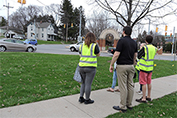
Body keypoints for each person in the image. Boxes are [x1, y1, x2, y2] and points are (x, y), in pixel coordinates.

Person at [109, 26, 137, 112]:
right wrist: (134, 64)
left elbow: (116, 54)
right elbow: (135, 55)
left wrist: (111, 64)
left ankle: (122, 106)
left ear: (123, 32)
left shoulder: (121, 41)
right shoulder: (134, 42)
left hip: (122, 66)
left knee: (123, 86)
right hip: (131, 66)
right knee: (130, 85)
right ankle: (129, 104)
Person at [78, 32, 100, 104]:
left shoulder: (81, 46)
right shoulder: (94, 46)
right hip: (91, 67)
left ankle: (81, 97)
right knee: (88, 84)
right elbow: (98, 54)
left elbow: (80, 54)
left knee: (83, 83)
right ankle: (87, 99)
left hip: (81, 67)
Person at [136, 35, 157, 103]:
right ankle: (149, 96)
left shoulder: (145, 48)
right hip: (150, 68)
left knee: (143, 83)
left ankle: (144, 98)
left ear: (146, 40)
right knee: (149, 82)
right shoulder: (154, 48)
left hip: (144, 68)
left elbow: (138, 56)